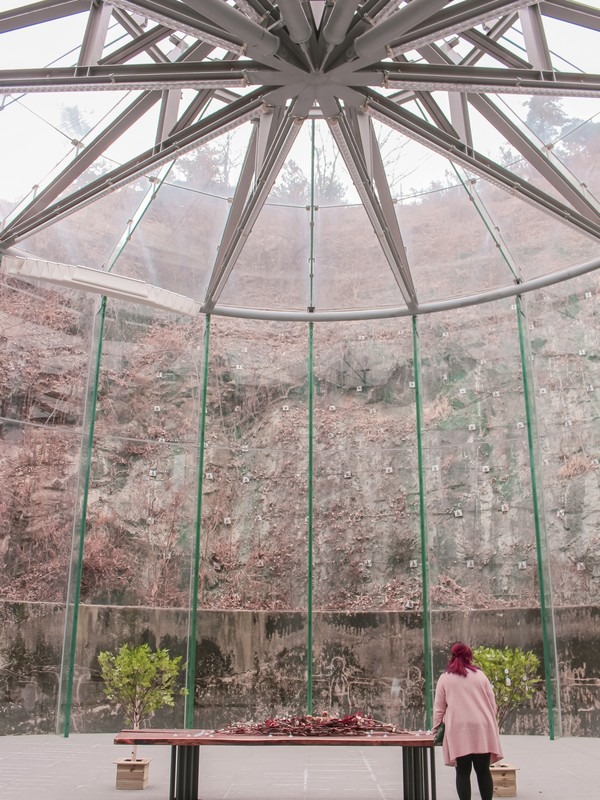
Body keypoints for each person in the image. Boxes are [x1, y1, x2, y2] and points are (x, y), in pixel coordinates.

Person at [432, 642, 502, 800]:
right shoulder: (480, 675)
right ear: (470, 656)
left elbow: (439, 708)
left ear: (452, 656)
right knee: (483, 770)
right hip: (482, 728)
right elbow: (492, 704)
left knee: (462, 772)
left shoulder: (445, 678)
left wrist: (435, 729)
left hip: (458, 729)